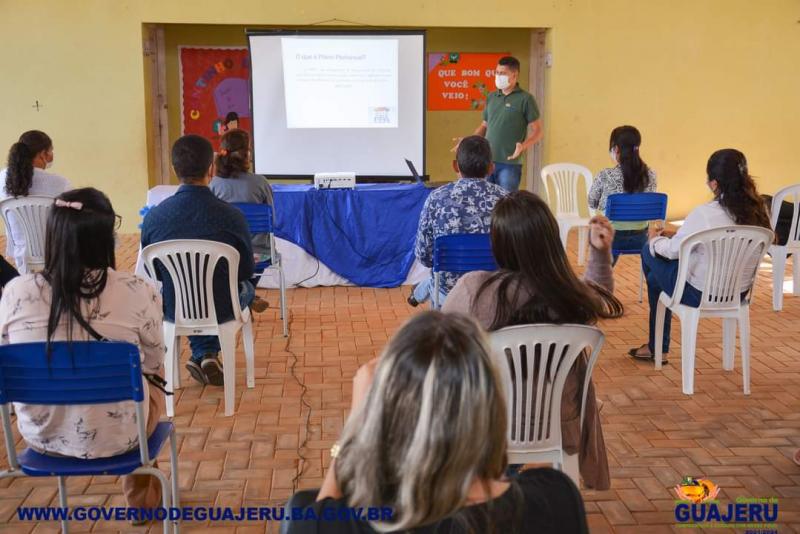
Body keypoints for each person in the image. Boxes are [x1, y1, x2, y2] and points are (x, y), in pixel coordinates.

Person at [286, 312, 589, 534]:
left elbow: (318, 520)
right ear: (490, 405)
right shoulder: (557, 497)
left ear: (388, 416)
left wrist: (355, 425)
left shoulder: (327, 522)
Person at [442, 191, 622, 490]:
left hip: (491, 424)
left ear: (499, 242)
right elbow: (598, 297)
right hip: (558, 419)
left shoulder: (473, 289)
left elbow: (441, 344)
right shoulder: (566, 294)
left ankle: (495, 489)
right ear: (551, 240)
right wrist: (600, 253)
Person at [0, 188, 165, 509]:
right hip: (122, 437)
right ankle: (143, 502)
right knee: (151, 374)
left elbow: (8, 355)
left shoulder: (15, 292)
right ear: (105, 237)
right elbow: (155, 359)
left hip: (41, 436)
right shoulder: (136, 290)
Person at [629, 149, 772, 361]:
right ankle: (656, 344)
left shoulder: (704, 213)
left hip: (698, 293)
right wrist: (678, 236)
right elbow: (725, 237)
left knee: (649, 253)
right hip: (738, 294)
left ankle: (657, 346)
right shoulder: (760, 211)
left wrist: (654, 239)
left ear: (714, 183)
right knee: (654, 278)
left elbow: (672, 252)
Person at [141, 135, 259, 387]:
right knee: (247, 287)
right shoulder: (232, 217)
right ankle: (206, 354)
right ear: (211, 169)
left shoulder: (154, 218)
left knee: (188, 290)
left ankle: (203, 354)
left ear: (174, 170)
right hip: (224, 307)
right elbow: (246, 270)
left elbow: (156, 274)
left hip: (175, 306)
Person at [409, 135, 507, 307]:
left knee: (435, 278)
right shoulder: (506, 200)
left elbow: (424, 256)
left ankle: (420, 293)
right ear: (491, 168)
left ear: (455, 165)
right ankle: (420, 291)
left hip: (448, 295)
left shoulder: (436, 198)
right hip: (494, 292)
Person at [453, 56, 542, 192]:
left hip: (509, 164)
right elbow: (484, 125)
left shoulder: (526, 99)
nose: (498, 76)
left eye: (502, 73)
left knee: (505, 203)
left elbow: (538, 131)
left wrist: (523, 146)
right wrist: (468, 142)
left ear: (514, 75)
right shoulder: (492, 97)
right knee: (483, 200)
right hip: (485, 161)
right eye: (497, 72)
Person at [0, 130, 71, 272]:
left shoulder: (1, 178)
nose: (52, 155)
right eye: (51, 151)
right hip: (56, 254)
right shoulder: (60, 183)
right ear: (42, 154)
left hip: (22, 255)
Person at [209, 128, 275, 281]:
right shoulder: (261, 183)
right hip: (258, 253)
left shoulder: (215, 185)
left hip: (223, 252)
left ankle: (242, 294)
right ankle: (245, 293)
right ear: (248, 154)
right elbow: (273, 221)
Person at [588, 125, 658, 264]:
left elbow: (592, 202)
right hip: (641, 238)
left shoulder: (605, 175)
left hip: (612, 238)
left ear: (616, 149)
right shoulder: (650, 175)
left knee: (597, 234)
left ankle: (599, 279)